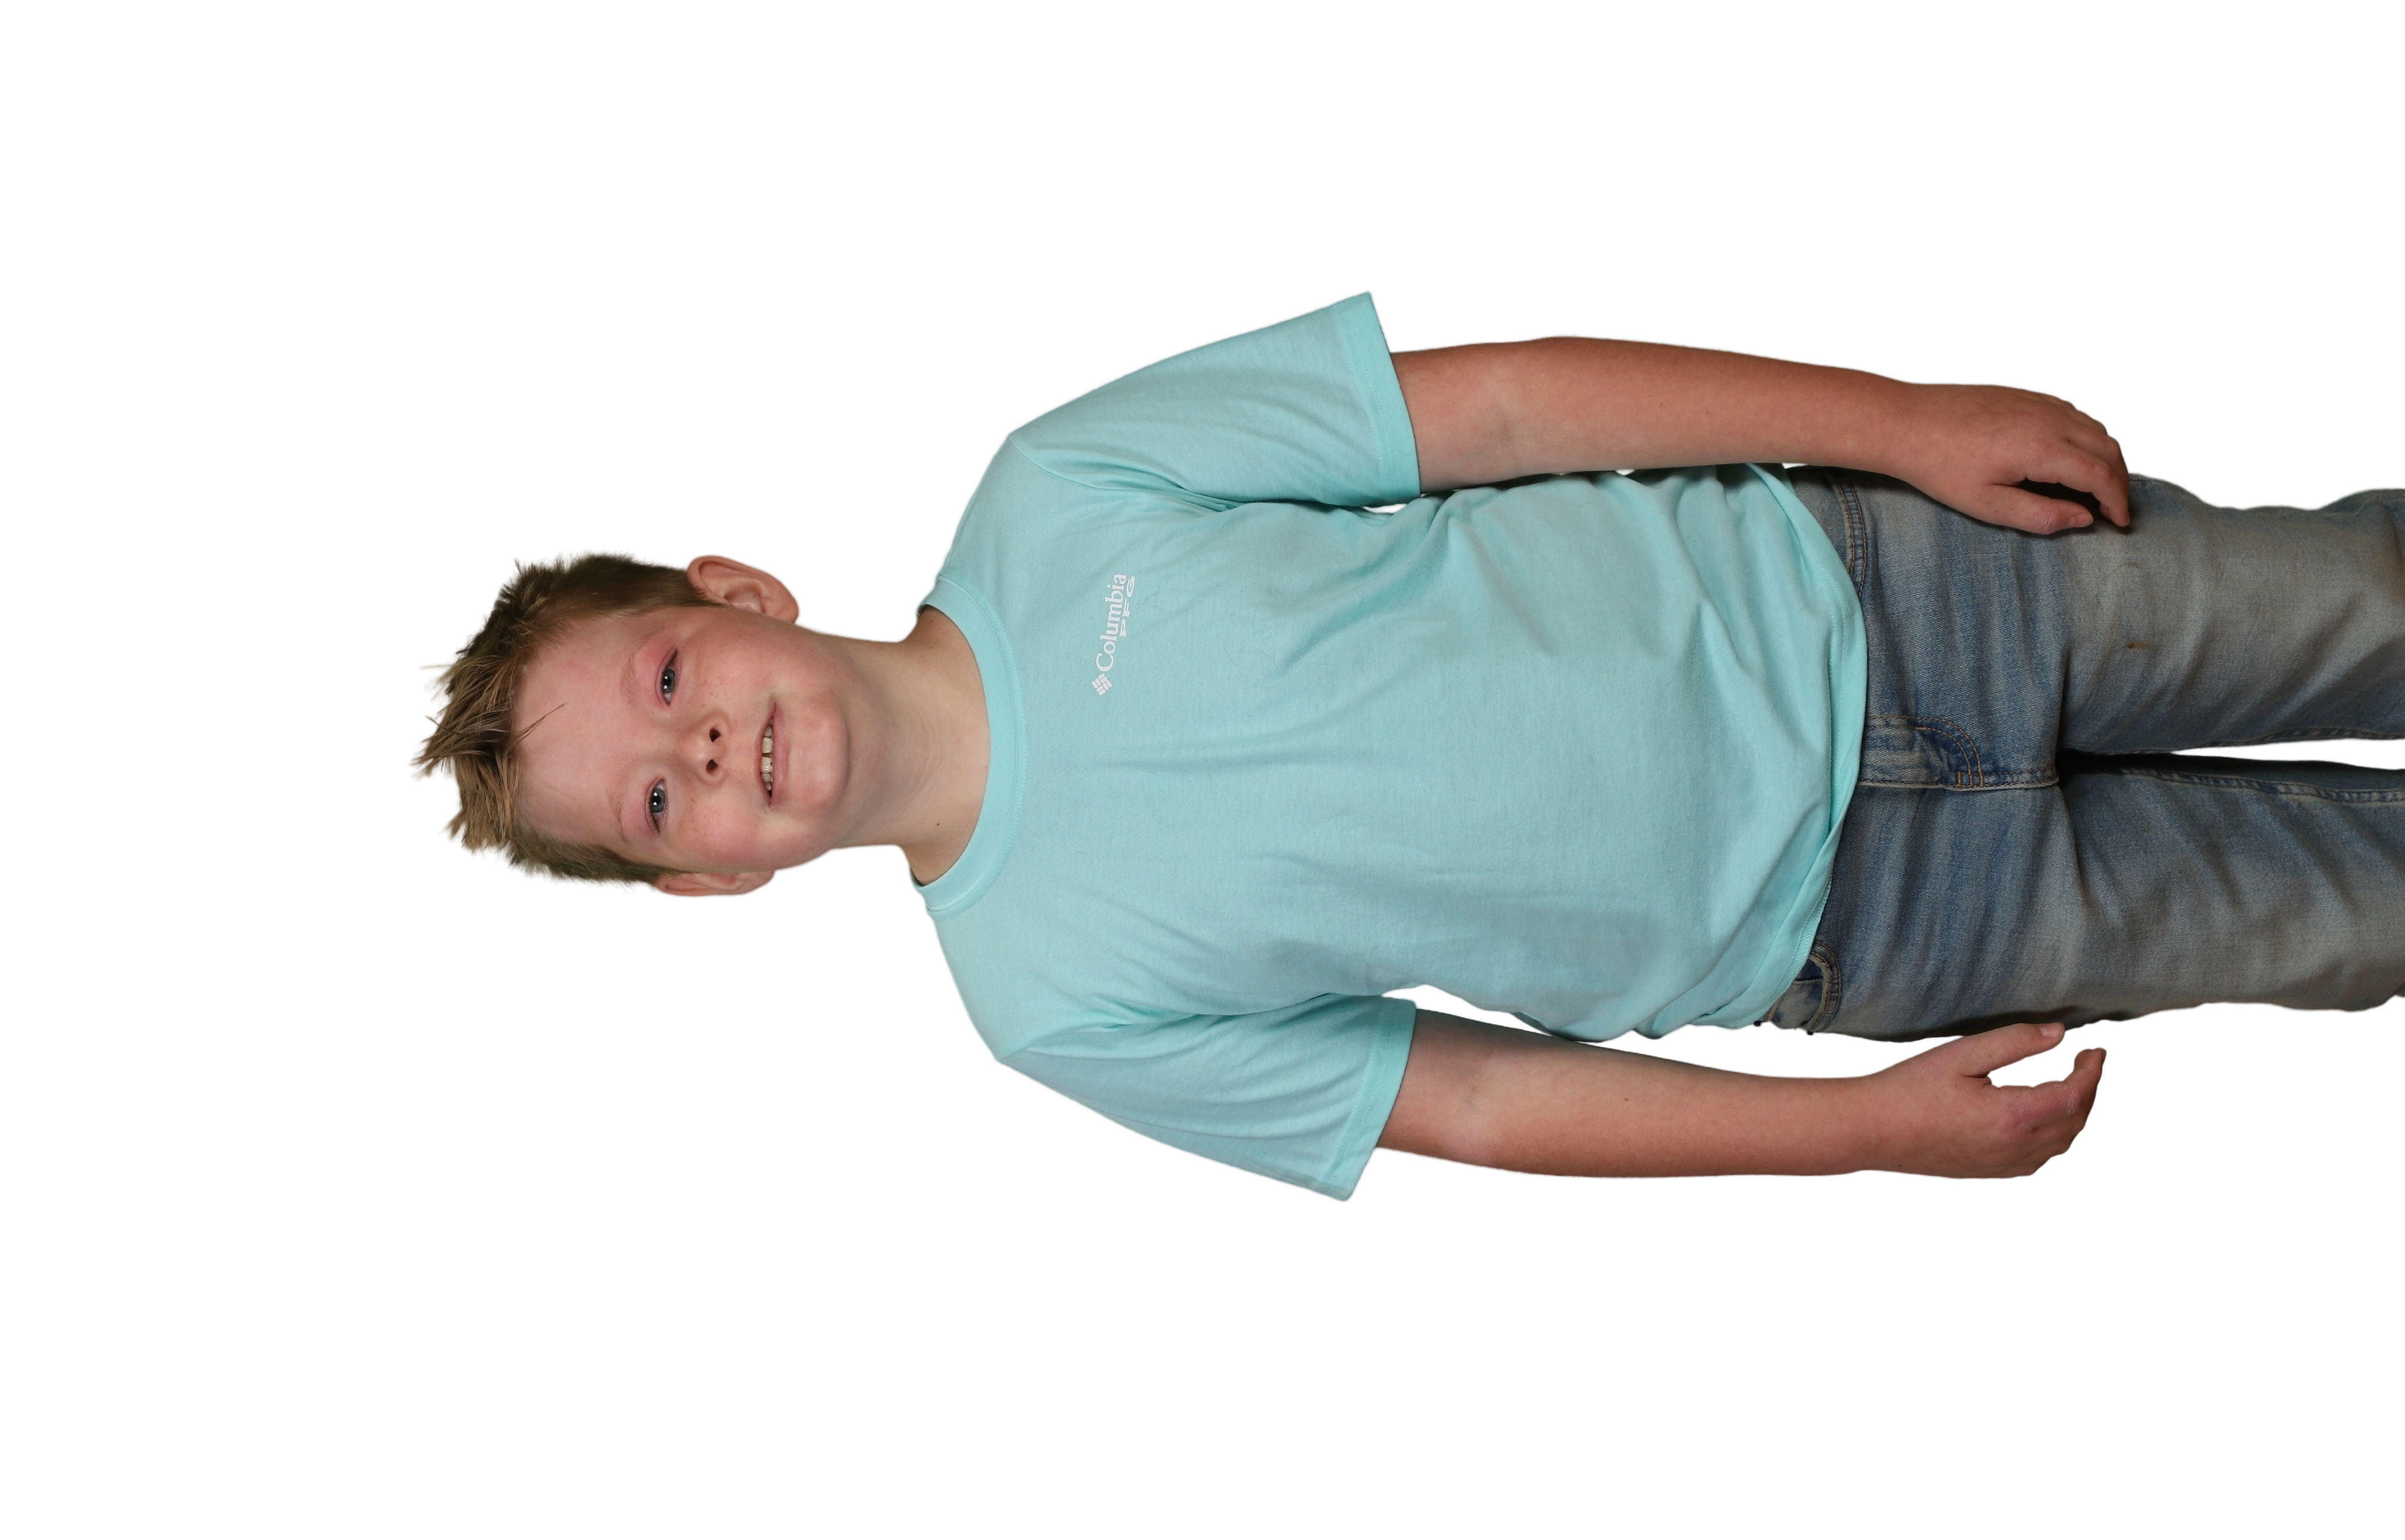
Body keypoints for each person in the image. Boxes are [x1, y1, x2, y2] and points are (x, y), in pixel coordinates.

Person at [406, 290, 2405, 1202]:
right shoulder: (1048, 1005)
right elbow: (1472, 1103)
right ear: (709, 882)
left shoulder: (1062, 490)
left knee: (2369, 608)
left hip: (1901, 591)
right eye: (655, 798)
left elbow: (1502, 410)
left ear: (734, 592)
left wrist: (1897, 420)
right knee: (2354, 929)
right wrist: (1860, 1135)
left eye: (665, 677)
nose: (709, 747)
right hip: (1886, 929)